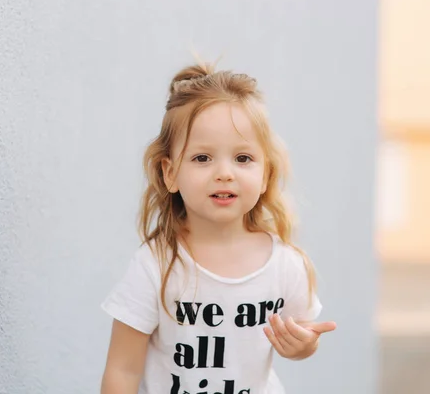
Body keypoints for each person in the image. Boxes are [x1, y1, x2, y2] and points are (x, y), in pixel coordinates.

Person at [100, 62, 337, 394]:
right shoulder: (156, 264)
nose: (225, 173)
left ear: (266, 172)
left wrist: (302, 347)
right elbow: (122, 369)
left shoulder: (285, 265)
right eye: (202, 158)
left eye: (242, 158)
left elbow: (303, 336)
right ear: (170, 173)